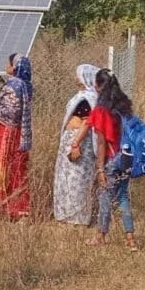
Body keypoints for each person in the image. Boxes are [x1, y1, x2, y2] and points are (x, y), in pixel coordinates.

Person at [87, 68, 140, 252]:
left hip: (110, 159)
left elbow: (102, 143)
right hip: (126, 158)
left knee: (105, 197)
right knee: (123, 196)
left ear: (98, 86)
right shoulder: (124, 106)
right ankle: (130, 239)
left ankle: (100, 235)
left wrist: (100, 168)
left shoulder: (101, 111)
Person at [0, 54, 34, 221]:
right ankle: (19, 208)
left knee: (2, 168)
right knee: (17, 169)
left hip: (7, 133)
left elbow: (11, 112)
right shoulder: (26, 85)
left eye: (7, 63)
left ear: (14, 67)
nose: (5, 66)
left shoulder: (13, 85)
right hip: (19, 132)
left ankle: (2, 207)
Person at [53, 96, 97, 225]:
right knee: (65, 179)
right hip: (71, 140)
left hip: (80, 141)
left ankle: (77, 219)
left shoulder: (89, 98)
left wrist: (76, 143)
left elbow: (87, 121)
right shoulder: (81, 95)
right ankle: (65, 214)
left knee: (77, 179)